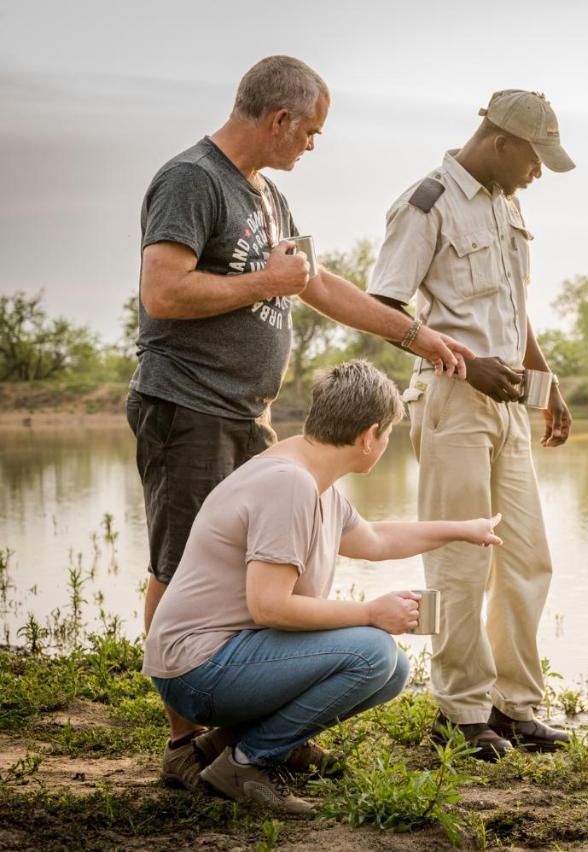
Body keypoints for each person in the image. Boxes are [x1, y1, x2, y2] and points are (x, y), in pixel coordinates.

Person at [129, 55, 473, 789]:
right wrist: (267, 282)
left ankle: (245, 725)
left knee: (249, 565)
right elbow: (162, 292)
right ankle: (184, 743)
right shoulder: (193, 180)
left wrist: (412, 335)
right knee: (177, 560)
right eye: (310, 132)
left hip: (246, 412)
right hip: (187, 403)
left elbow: (318, 285)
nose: (312, 145)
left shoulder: (269, 198)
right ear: (279, 119)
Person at [143, 360, 503, 815]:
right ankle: (247, 763)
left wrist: (462, 529)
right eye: (389, 433)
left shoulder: (312, 477)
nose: (386, 443)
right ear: (370, 435)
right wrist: (372, 612)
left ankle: (229, 745)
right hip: (197, 673)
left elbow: (375, 540)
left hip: (223, 658)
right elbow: (270, 606)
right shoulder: (288, 485)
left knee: (391, 668)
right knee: (372, 653)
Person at [364, 90, 574, 759]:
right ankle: (460, 712)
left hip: (509, 399)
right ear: (500, 142)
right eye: (535, 159)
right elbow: (384, 305)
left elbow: (514, 307)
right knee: (460, 559)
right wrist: (461, 360)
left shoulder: (505, 202)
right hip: (454, 396)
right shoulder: (425, 202)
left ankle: (514, 706)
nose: (538, 173)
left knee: (525, 557)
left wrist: (546, 379)